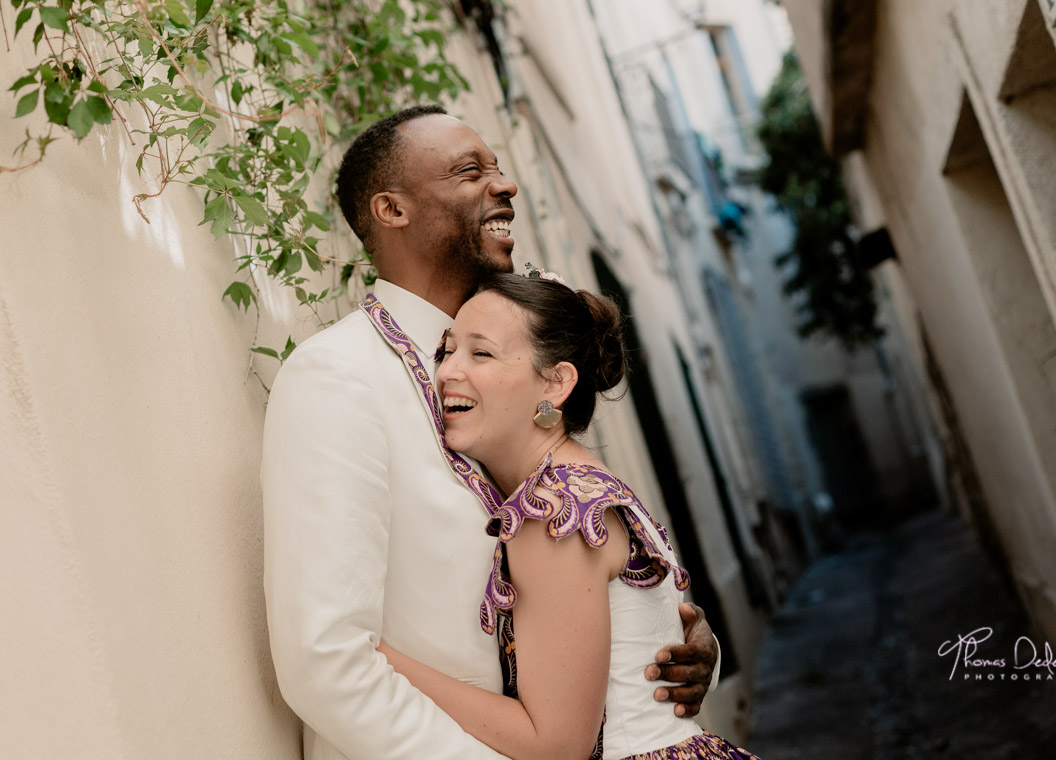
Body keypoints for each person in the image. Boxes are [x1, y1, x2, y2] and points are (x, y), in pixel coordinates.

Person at [261, 105, 720, 760]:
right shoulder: (340, 379)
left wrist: (680, 648)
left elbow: (590, 594)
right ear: (392, 210)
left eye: (500, 168)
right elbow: (327, 662)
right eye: (470, 170)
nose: (503, 185)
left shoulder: (515, 376)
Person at [376, 272, 761, 760]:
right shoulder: (580, 478)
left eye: (482, 352)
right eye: (446, 350)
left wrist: (383, 663)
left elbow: (557, 745)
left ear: (556, 383)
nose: (447, 371)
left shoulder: (554, 510)